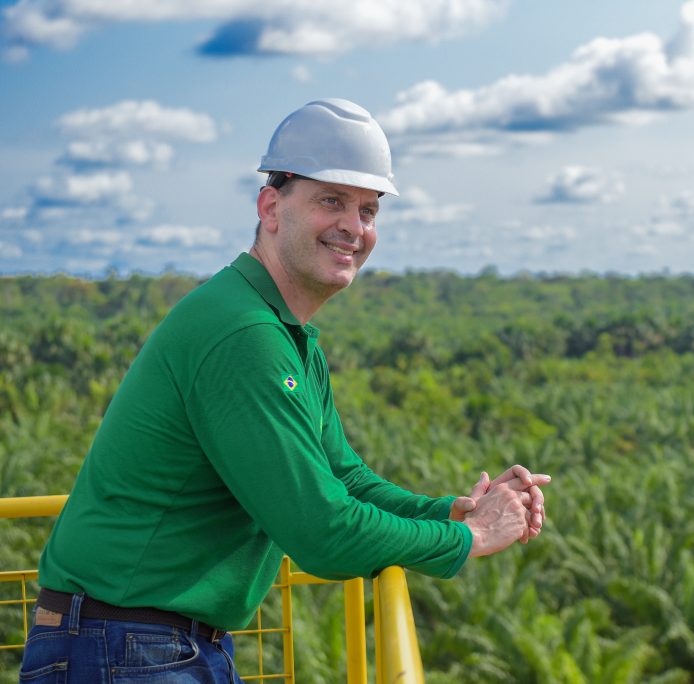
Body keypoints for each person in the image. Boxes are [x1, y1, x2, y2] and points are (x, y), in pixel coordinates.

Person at [19, 98, 549, 683]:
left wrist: (453, 509)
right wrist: (468, 538)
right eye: (331, 201)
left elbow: (344, 479)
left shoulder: (285, 333)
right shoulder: (243, 333)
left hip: (149, 642)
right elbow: (321, 533)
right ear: (270, 206)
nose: (355, 226)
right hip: (121, 646)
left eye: (369, 210)